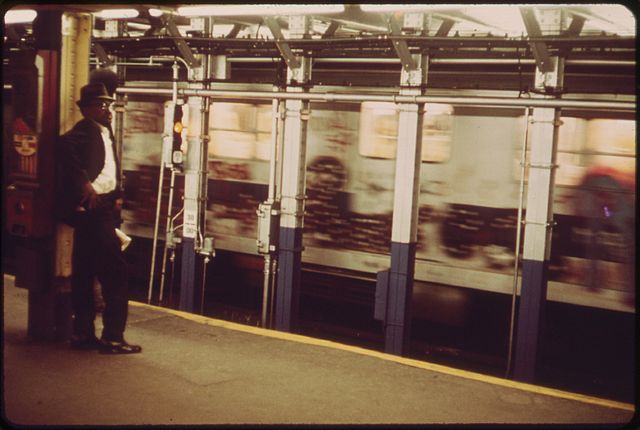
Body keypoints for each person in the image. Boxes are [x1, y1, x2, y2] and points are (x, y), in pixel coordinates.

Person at [56, 83, 141, 354]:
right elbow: (63, 145)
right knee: (116, 274)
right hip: (95, 212)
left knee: (84, 272)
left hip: (98, 210)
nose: (108, 110)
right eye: (101, 105)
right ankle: (113, 337)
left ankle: (83, 334)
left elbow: (108, 168)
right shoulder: (86, 130)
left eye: (109, 105)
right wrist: (84, 184)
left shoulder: (105, 132)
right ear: (88, 109)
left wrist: (116, 193)